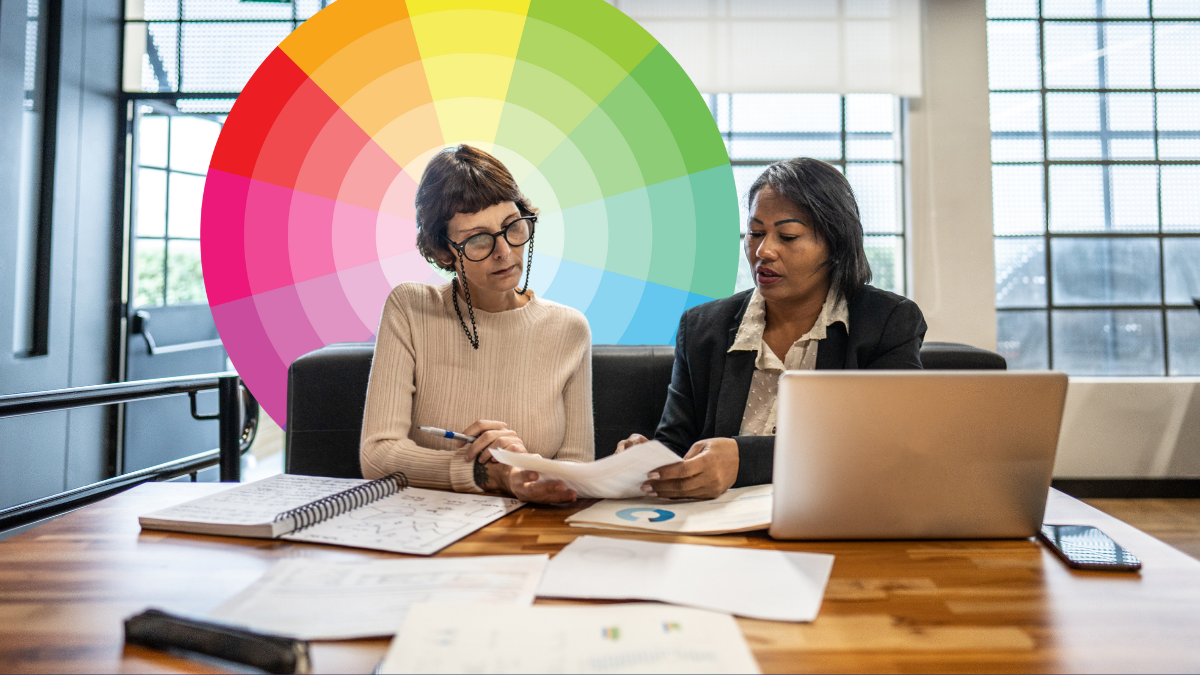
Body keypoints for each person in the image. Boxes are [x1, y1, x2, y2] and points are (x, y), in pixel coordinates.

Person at [617, 157, 927, 499]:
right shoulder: (703, 327)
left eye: (788, 236)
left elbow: (886, 446)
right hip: (719, 527)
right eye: (755, 233)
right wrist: (648, 458)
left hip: (835, 515)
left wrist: (745, 459)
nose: (763, 251)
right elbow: (677, 444)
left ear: (835, 245)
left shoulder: (886, 322)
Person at [360, 144, 592, 503]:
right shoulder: (410, 308)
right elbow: (377, 455)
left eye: (512, 227)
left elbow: (577, 467)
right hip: (426, 530)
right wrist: (490, 475)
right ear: (443, 251)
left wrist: (526, 468)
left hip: (530, 531)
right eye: (478, 239)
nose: (504, 251)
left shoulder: (569, 328)